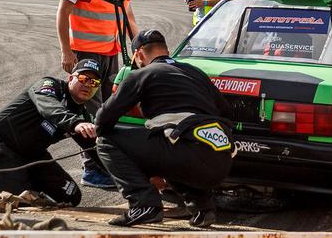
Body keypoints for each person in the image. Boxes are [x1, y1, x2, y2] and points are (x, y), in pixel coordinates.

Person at [96, 30, 234, 227]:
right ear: (167, 50)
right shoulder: (195, 73)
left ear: (139, 54)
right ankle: (203, 209)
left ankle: (143, 205)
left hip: (187, 151)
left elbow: (103, 119)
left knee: (106, 142)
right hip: (220, 159)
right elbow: (227, 112)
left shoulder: (142, 74)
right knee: (170, 143)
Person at [56, 0, 138, 188]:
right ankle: (92, 168)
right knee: (92, 112)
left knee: (108, 111)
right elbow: (63, 12)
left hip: (111, 52)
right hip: (85, 55)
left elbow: (127, 11)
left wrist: (137, 45)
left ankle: (105, 163)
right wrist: (67, 52)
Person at [0, 60, 104, 205]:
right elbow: (49, 106)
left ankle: (21, 187)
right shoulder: (49, 86)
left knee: (71, 196)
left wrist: (125, 178)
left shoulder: (82, 116)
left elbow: (96, 150)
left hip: (32, 155)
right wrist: (75, 123)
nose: (88, 85)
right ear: (70, 78)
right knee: (21, 202)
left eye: (94, 83)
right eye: (84, 79)